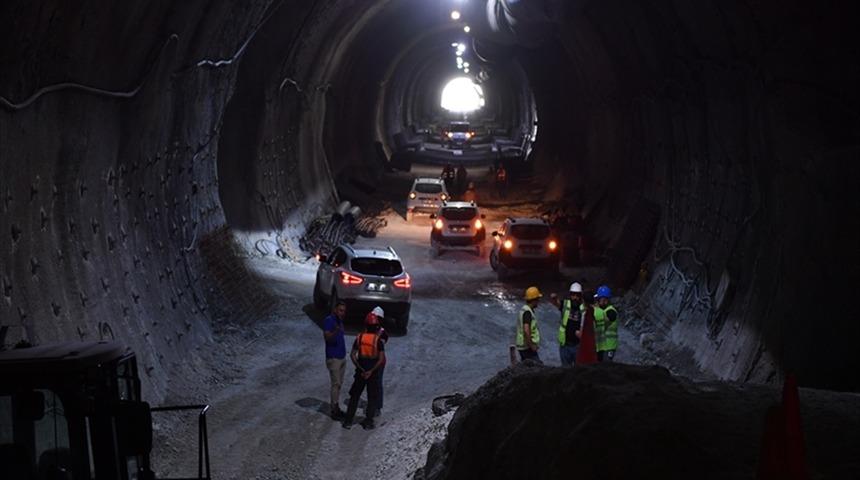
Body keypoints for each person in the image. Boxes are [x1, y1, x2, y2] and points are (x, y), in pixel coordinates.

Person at [342, 312, 386, 430]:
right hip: (373, 372)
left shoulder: (359, 338)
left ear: (365, 325)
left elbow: (352, 355)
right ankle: (368, 422)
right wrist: (371, 371)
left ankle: (348, 421)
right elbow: (381, 359)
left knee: (355, 396)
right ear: (376, 326)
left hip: (360, 372)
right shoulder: (378, 341)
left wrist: (361, 368)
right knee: (372, 397)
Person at [322, 301, 347, 420]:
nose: (342, 313)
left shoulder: (339, 321)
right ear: (335, 310)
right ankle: (334, 409)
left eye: (343, 311)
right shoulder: (329, 320)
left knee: (339, 384)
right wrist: (335, 331)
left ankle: (336, 406)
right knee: (336, 384)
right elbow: (327, 337)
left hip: (341, 356)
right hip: (333, 357)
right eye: (340, 310)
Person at [550, 282, 584, 366]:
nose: (575, 297)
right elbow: (556, 303)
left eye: (577, 295)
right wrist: (554, 298)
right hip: (565, 345)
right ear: (570, 295)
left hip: (578, 345)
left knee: (578, 371)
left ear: (580, 296)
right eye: (573, 295)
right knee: (565, 371)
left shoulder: (583, 308)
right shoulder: (565, 304)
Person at [366, 306, 389, 420]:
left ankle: (377, 407)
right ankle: (372, 405)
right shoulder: (370, 330)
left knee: (377, 384)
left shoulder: (382, 332)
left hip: (378, 361)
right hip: (371, 360)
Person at [516, 286, 543, 363]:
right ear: (534, 300)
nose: (539, 301)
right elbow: (526, 330)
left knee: (526, 367)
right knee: (537, 367)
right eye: (538, 299)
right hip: (527, 348)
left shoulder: (524, 310)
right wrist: (531, 345)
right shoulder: (527, 312)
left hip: (523, 347)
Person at [593, 285, 619, 362]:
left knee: (606, 368)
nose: (597, 301)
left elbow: (602, 320)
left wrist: (595, 309)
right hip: (601, 346)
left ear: (604, 299)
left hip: (609, 346)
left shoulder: (611, 312)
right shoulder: (602, 310)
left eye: (598, 299)